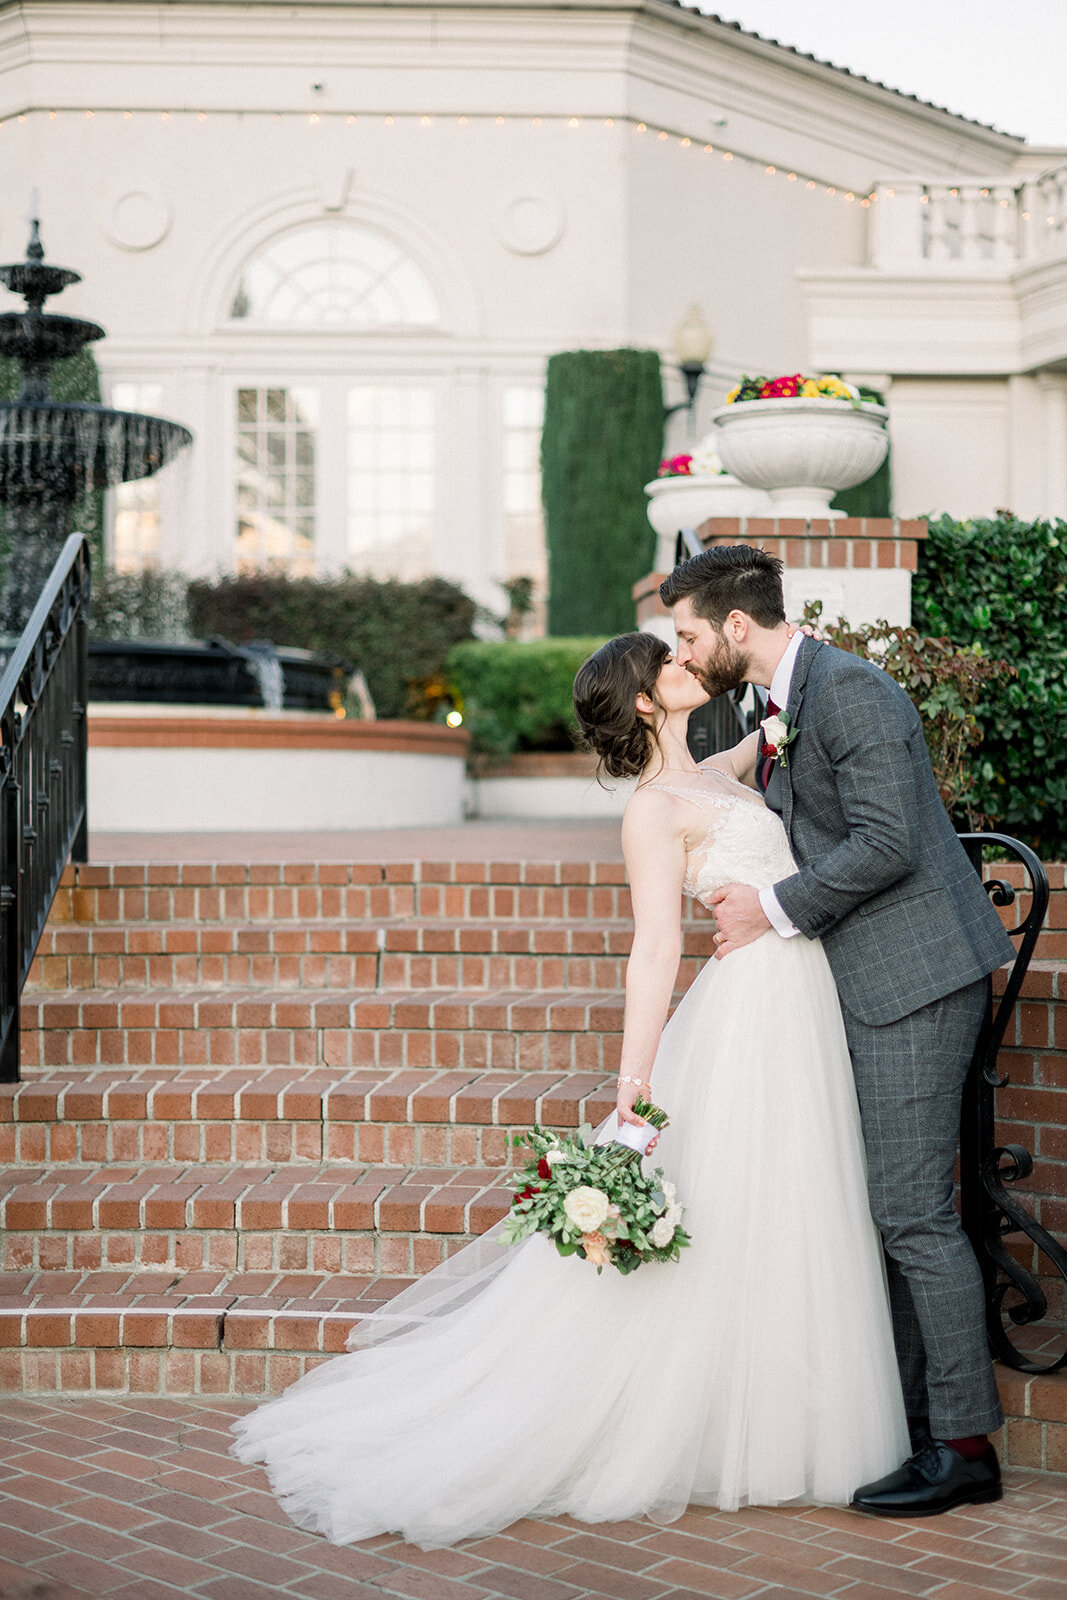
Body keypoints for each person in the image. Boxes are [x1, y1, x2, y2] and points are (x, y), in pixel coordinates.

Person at [230, 625, 911, 1548]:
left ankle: (789, 1415)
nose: (684, 664)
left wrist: (799, 656)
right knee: (752, 1199)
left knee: (791, 1203)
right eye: (667, 663)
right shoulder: (651, 809)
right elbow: (653, 949)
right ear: (642, 701)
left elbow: (781, 724)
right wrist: (632, 1090)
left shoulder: (716, 769)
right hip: (749, 1013)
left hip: (799, 1000)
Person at [659, 544, 1016, 1518]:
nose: (683, 649)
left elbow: (886, 844)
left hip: (912, 979)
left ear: (735, 626)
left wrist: (767, 909)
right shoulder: (778, 700)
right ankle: (909, 1422)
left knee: (909, 1214)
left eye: (688, 632)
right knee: (883, 1209)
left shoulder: (851, 692)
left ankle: (962, 1444)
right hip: (859, 980)